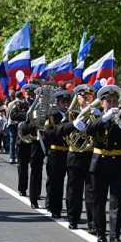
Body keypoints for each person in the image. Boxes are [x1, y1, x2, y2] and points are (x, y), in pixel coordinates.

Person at [77, 85, 121, 242]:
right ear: (102, 103)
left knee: (117, 202)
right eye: (108, 101)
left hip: (118, 164)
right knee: (99, 201)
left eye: (114, 101)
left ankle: (115, 236)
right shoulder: (96, 117)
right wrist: (104, 119)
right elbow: (88, 130)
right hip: (100, 163)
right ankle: (101, 233)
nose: (112, 104)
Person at [62, 84, 97, 231]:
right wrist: (73, 125)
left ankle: (93, 224)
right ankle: (73, 219)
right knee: (73, 191)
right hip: (75, 156)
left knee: (91, 192)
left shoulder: (97, 113)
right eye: (83, 96)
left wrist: (98, 119)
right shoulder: (71, 114)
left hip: (91, 155)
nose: (87, 98)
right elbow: (59, 131)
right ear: (78, 97)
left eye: (89, 96)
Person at [42, 89, 72, 218]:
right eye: (62, 102)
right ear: (58, 103)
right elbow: (48, 134)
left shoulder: (73, 116)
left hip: (70, 153)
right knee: (56, 183)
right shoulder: (52, 116)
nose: (65, 104)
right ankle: (55, 208)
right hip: (56, 152)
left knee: (72, 185)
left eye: (67, 101)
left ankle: (72, 212)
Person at [15, 84, 45, 207]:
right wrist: (28, 117)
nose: (31, 94)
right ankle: (22, 188)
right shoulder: (21, 104)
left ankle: (35, 195)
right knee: (23, 166)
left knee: (37, 170)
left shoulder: (48, 109)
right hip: (23, 140)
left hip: (38, 142)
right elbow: (13, 115)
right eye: (29, 92)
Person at [6, 91, 25, 164]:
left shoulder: (10, 103)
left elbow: (7, 114)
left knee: (12, 141)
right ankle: (17, 157)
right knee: (18, 141)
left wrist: (8, 122)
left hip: (11, 123)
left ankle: (11, 158)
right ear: (20, 96)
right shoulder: (21, 103)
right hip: (18, 123)